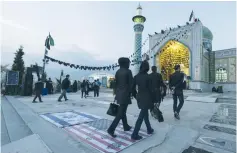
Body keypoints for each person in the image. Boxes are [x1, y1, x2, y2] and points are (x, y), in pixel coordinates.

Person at [107, 57, 133, 138]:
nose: (129, 64)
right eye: (129, 62)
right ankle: (111, 129)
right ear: (125, 63)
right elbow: (131, 84)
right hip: (125, 95)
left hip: (119, 94)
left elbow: (116, 84)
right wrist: (134, 94)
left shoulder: (117, 72)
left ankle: (126, 126)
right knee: (120, 113)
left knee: (123, 111)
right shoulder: (128, 72)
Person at [131, 60, 154, 140]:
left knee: (145, 114)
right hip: (147, 97)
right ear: (147, 68)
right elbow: (151, 90)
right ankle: (134, 134)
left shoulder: (136, 77)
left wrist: (136, 96)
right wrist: (153, 100)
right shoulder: (148, 77)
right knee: (141, 116)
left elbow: (132, 89)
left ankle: (149, 129)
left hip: (140, 97)